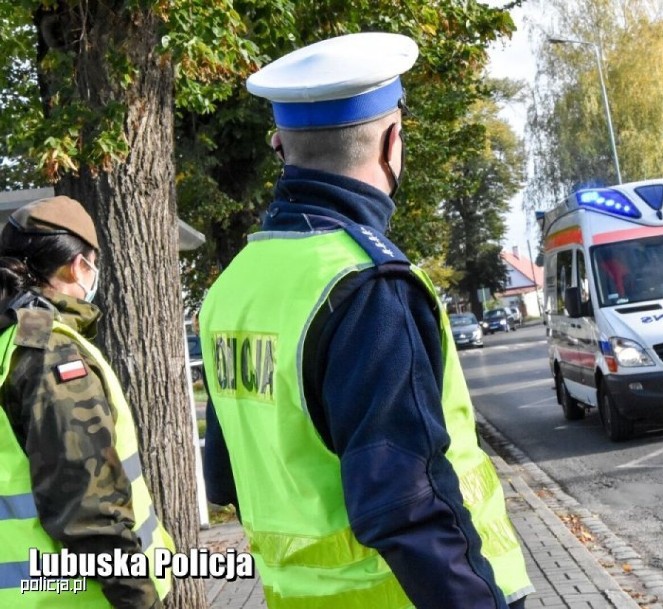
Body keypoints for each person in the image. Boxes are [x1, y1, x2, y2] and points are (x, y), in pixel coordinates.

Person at [200, 32, 532, 609]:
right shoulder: (368, 286)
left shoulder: (232, 287)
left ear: (280, 145)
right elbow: (408, 505)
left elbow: (225, 479)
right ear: (392, 142)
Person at [0, 196, 174, 608]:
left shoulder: (12, 339)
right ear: (79, 265)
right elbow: (88, 505)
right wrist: (138, 598)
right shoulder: (47, 349)